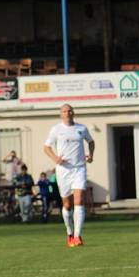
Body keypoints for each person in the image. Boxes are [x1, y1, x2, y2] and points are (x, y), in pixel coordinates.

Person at [44, 103, 95, 247]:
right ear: (61, 114)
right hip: (63, 170)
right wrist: (55, 158)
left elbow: (91, 142)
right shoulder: (56, 129)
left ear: (73, 113)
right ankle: (70, 233)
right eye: (64, 111)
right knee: (67, 204)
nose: (67, 113)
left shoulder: (81, 128)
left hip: (79, 169)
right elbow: (46, 147)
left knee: (79, 200)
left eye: (70, 111)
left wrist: (90, 155)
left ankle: (78, 236)